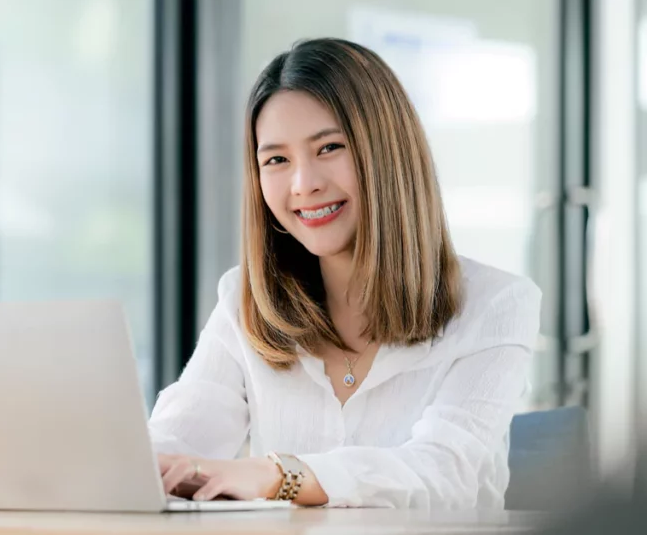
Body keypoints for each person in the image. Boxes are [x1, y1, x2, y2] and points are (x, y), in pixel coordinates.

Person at [148, 38, 542, 509]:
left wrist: (280, 475)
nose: (304, 184)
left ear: (388, 155)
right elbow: (177, 443)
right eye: (276, 159)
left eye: (329, 147)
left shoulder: (497, 303)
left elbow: (444, 473)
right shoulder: (244, 300)